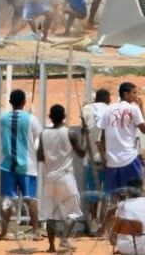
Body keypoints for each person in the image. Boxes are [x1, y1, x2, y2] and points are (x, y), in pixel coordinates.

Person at [0, 89, 43, 240]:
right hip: (27, 165)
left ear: (10, 102)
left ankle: (4, 231)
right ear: (24, 102)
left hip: (7, 165)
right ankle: (35, 231)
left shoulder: (2, 120)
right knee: (31, 199)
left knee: (7, 199)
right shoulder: (31, 119)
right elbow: (38, 138)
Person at [37, 105, 86, 252]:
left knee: (50, 214)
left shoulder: (43, 134)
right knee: (73, 212)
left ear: (50, 117)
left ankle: (51, 246)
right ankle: (64, 240)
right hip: (65, 177)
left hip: (49, 178)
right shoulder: (70, 133)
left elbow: (39, 156)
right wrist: (84, 135)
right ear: (64, 116)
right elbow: (82, 153)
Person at [98, 82, 145, 196]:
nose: (137, 95)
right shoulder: (133, 109)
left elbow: (102, 137)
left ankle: (113, 214)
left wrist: (104, 158)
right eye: (134, 93)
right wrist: (141, 108)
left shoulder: (108, 110)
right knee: (135, 195)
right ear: (126, 94)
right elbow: (144, 129)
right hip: (129, 159)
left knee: (114, 198)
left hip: (112, 161)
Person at [80, 88, 111, 232]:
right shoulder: (110, 110)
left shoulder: (86, 109)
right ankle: (102, 225)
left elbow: (83, 130)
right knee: (107, 193)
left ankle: (91, 222)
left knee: (93, 192)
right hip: (108, 158)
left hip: (90, 156)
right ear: (108, 99)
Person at [112, 178, 145, 255]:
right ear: (141, 189)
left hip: (122, 247)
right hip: (142, 250)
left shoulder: (121, 204)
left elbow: (115, 228)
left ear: (128, 191)